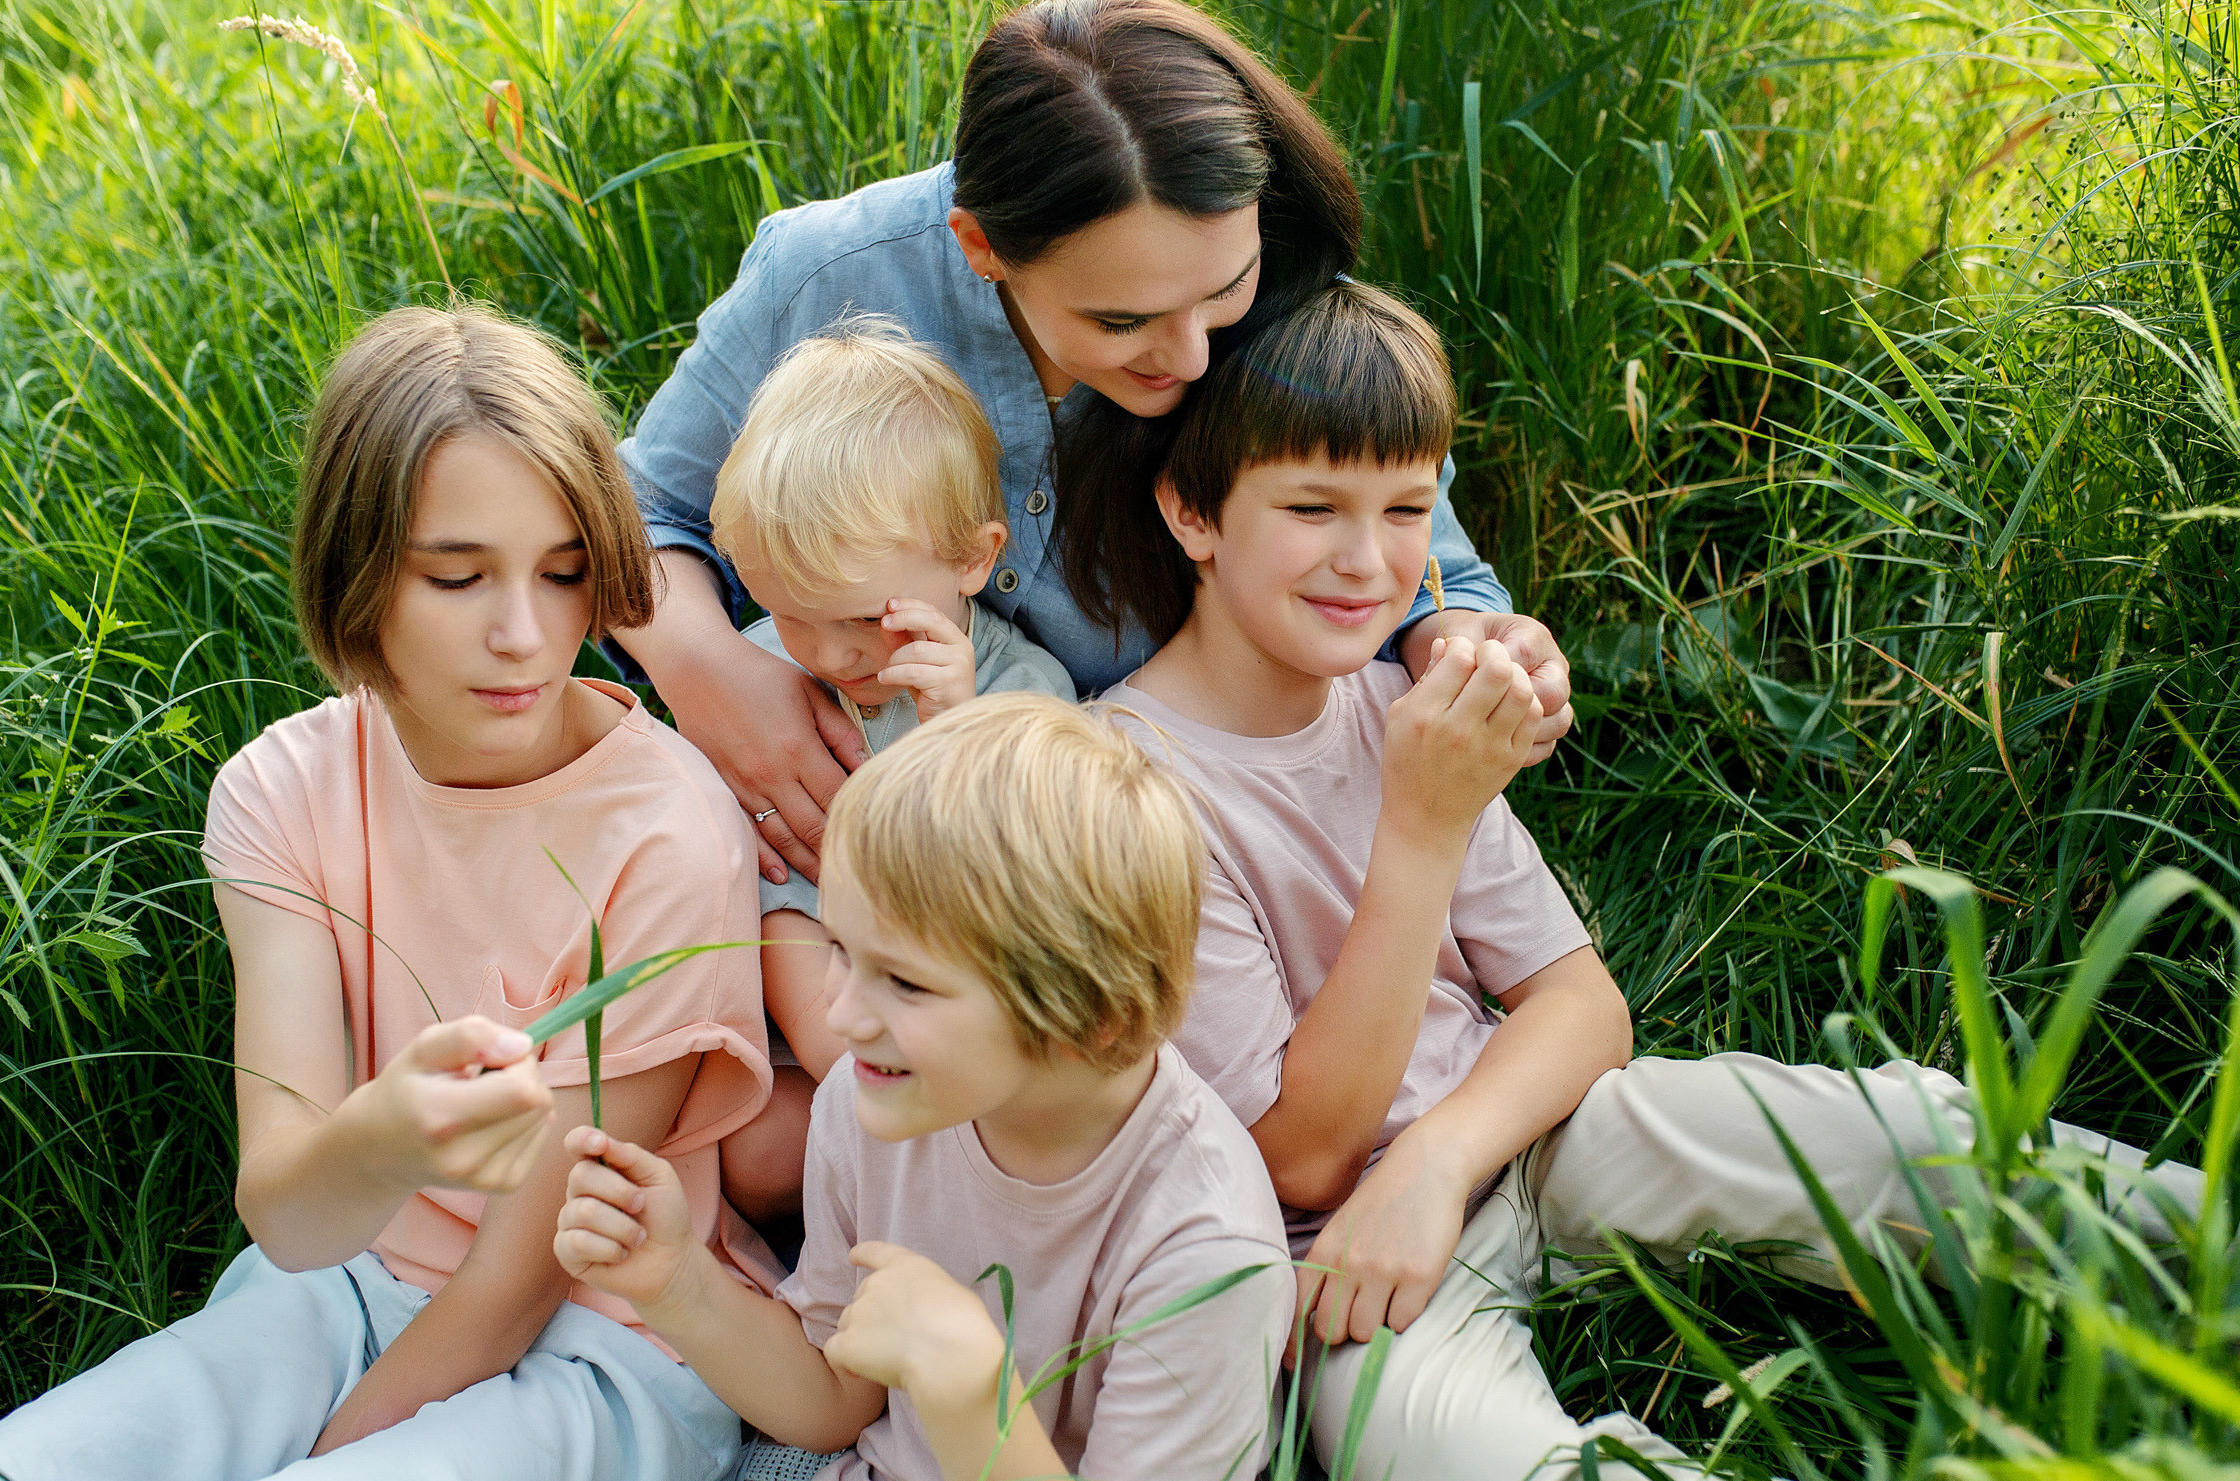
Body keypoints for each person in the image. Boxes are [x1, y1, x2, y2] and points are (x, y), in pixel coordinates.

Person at [1069, 278, 2226, 1481]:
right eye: (1313, 510)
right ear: (1194, 512)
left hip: (1519, 1133)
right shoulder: (1127, 781)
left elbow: (1580, 1000)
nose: (1368, 562)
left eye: (1404, 511)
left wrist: (1444, 1154)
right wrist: (1424, 831)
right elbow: (1304, 1154)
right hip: (1348, 1261)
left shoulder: (1404, 700)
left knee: (1892, 1124)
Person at [0, 305, 781, 1481]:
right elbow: (287, 1212)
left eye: (564, 571)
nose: (525, 633)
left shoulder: (667, 831)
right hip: (344, 1284)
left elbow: (522, 1282)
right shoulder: (284, 787)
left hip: (611, 1358)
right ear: (360, 576)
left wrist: (300, 1474)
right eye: (456, 577)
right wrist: (391, 1133)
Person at [444, 698, 1466, 1481]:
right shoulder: (872, 1101)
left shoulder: (1206, 1239)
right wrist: (680, 1284)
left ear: (1096, 1016)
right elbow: (834, 1398)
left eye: (906, 982)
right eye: (842, 953)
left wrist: (971, 1389)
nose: (842, 1014)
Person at [600, 0, 1576, 899]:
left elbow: (1422, 567)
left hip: (1194, 802)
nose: (1193, 354)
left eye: (1221, 290)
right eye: (1124, 319)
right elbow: (636, 511)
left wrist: (1464, 646)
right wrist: (708, 672)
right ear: (981, 247)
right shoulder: (830, 272)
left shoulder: (1286, 289)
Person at [711, 317, 1074, 1086]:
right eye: (791, 615)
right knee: (776, 912)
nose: (832, 655)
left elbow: (1034, 875)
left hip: (956, 960)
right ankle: (847, 1076)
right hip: (806, 941)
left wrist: (954, 730)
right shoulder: (764, 673)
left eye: (863, 618)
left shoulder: (1020, 691)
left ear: (976, 557)